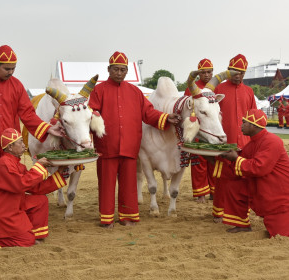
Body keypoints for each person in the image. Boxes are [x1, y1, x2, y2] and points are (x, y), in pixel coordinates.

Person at [0, 45, 64, 245]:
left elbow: (27, 114)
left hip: (9, 149)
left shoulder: (17, 85)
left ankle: (1, 229)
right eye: (6, 68)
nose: (10, 72)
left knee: (10, 191)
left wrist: (47, 129)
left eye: (13, 69)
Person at [88, 51, 181, 228]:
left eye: (123, 70)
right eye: (116, 69)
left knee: (129, 184)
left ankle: (128, 217)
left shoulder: (135, 91)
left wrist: (166, 118)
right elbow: (91, 111)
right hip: (107, 147)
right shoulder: (98, 90)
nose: (119, 73)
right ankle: (106, 219)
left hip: (130, 147)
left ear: (127, 71)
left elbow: (148, 113)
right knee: (106, 184)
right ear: (109, 69)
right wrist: (94, 114)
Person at [0, 128, 68, 247]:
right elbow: (21, 184)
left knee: (41, 200)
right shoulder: (4, 163)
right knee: (27, 241)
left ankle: (33, 234)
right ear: (10, 147)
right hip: (1, 210)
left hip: (12, 204)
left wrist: (60, 173)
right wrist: (39, 166)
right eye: (20, 142)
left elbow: (35, 188)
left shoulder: (17, 164)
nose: (24, 145)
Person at [219, 109, 289, 236]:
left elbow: (260, 167)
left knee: (279, 233)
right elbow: (239, 167)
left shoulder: (272, 141)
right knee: (234, 185)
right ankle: (242, 224)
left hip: (277, 192)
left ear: (253, 125)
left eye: (244, 122)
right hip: (262, 185)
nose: (241, 125)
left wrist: (235, 158)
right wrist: (215, 158)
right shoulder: (251, 144)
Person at [212, 54, 257, 223]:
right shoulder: (219, 89)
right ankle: (218, 213)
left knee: (243, 180)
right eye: (235, 72)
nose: (238, 76)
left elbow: (254, 116)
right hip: (224, 143)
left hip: (245, 143)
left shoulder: (249, 91)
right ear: (229, 71)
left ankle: (239, 213)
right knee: (223, 179)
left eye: (242, 73)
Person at [184, 58, 216, 203]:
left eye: (209, 72)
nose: (207, 75)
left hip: (212, 130)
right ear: (198, 74)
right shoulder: (191, 87)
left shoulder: (216, 88)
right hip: (197, 129)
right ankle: (200, 194)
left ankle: (214, 192)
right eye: (203, 72)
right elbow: (185, 108)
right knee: (198, 162)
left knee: (214, 161)